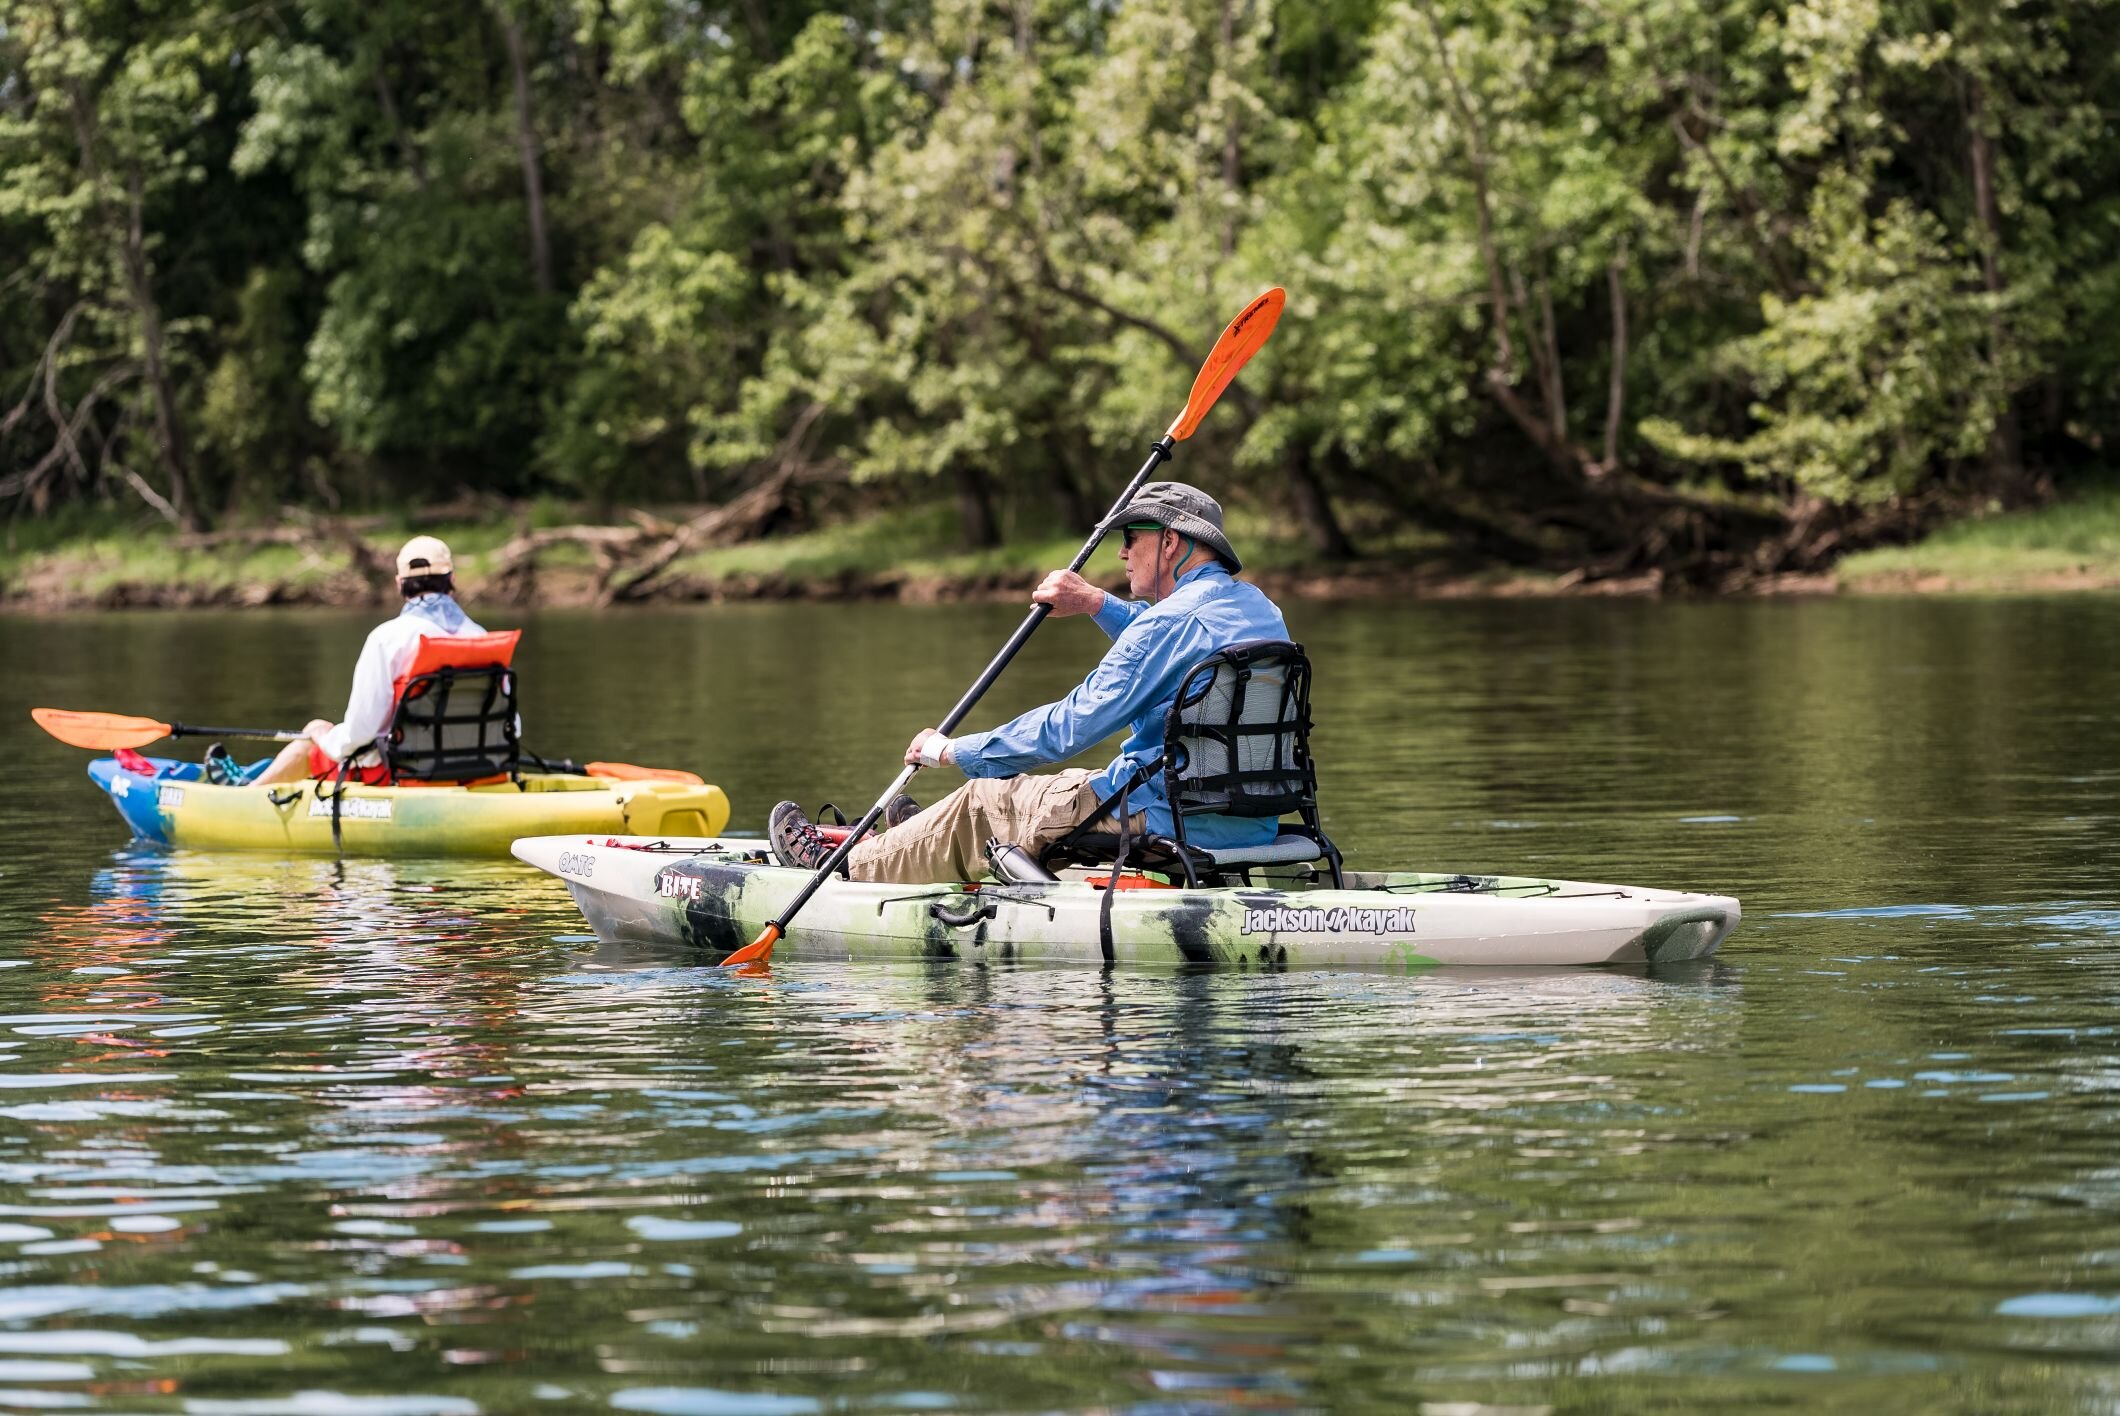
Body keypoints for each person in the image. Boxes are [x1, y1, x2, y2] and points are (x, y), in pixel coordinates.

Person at [766, 482, 1289, 882]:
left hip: (1160, 819)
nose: (1122, 553)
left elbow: (1068, 728)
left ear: (1170, 543)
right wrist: (1095, 603)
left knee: (984, 798)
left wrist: (952, 751)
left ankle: (844, 865)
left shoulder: (1168, 624)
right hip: (1249, 820)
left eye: (1131, 539)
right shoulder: (1259, 610)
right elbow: (1171, 651)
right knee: (1018, 796)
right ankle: (914, 836)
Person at [253, 535, 488, 786]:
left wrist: (323, 737)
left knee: (309, 742)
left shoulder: (387, 638)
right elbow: (511, 726)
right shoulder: (479, 637)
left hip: (407, 774)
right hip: (476, 768)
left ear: (399, 583)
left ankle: (244, 796)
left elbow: (360, 732)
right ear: (451, 579)